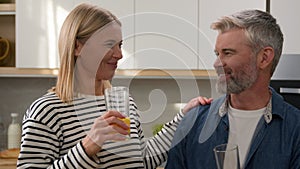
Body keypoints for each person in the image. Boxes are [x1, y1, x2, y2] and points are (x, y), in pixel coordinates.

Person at [16, 3, 212, 169]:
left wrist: (183, 118)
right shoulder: (47, 111)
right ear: (77, 47)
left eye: (120, 45)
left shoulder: (123, 102)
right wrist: (86, 148)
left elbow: (143, 158)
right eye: (109, 44)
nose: (119, 54)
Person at [165, 9, 300, 169]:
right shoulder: (193, 122)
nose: (217, 64)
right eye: (217, 54)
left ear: (264, 58)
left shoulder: (295, 129)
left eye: (228, 53)